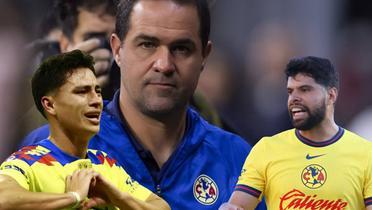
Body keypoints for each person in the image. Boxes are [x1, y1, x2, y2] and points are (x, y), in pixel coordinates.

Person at [21, 1, 266, 209]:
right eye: (147, 44)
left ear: (204, 56)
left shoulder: (238, 160)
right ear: (117, 49)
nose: (164, 64)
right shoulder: (50, 148)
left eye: (181, 48)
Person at [0, 50, 170, 210]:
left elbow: (161, 207)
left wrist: (117, 197)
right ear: (50, 105)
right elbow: (3, 198)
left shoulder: (106, 163)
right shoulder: (29, 161)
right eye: (82, 92)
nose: (96, 100)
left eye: (97, 91)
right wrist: (72, 197)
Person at [219, 56, 372, 210]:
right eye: (290, 91)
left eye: (305, 90)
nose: (294, 99)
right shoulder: (267, 149)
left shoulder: (366, 154)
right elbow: (238, 206)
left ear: (331, 95)